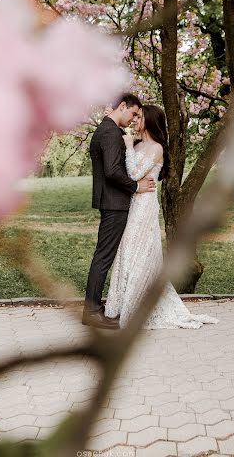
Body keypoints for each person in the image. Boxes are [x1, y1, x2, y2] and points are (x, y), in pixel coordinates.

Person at [105, 104, 219, 329]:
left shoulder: (156, 148)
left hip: (144, 206)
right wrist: (130, 147)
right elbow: (130, 177)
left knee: (140, 252)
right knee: (127, 251)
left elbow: (134, 174)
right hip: (132, 203)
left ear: (149, 120)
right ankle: (121, 304)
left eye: (139, 117)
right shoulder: (138, 144)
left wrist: (128, 147)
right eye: (135, 116)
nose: (135, 120)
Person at [82, 94, 156, 329]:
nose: (134, 118)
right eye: (134, 113)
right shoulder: (111, 132)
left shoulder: (105, 130)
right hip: (114, 203)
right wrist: (136, 186)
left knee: (103, 256)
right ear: (122, 106)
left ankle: (95, 309)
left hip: (110, 202)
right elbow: (113, 171)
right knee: (103, 257)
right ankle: (92, 311)